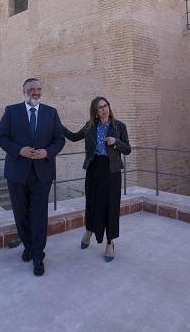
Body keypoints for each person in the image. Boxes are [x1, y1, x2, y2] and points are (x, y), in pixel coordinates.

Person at [0, 78, 65, 276]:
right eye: (32, 89)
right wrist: (19, 150)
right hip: (17, 173)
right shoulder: (11, 111)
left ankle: (38, 255)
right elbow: (1, 136)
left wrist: (47, 152)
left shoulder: (51, 113)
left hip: (42, 173)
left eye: (38, 89)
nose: (36, 92)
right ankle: (27, 245)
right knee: (21, 213)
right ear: (24, 91)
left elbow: (59, 139)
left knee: (39, 215)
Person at [61, 96, 130, 262]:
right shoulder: (90, 126)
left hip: (111, 171)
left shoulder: (119, 126)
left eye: (106, 105)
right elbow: (73, 136)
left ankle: (110, 241)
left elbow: (127, 149)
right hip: (94, 168)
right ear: (96, 111)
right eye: (100, 107)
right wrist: (57, 125)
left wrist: (116, 141)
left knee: (111, 205)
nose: (104, 109)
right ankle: (89, 230)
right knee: (92, 202)